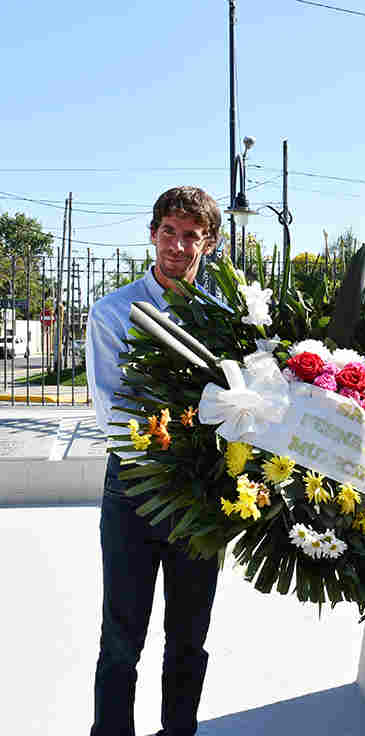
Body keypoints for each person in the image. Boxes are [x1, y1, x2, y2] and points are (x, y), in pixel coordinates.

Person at [85, 186, 222, 736]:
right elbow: (111, 414)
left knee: (189, 636)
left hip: (205, 493)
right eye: (169, 231)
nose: (178, 245)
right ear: (152, 234)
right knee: (122, 635)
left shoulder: (226, 317)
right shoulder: (114, 312)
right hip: (136, 490)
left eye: (192, 235)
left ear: (208, 244)